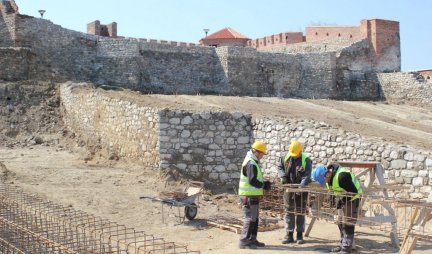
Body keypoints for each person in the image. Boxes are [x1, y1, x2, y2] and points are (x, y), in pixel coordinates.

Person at [312, 163, 363, 253]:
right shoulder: (329, 177)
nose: (325, 183)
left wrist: (342, 199)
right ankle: (343, 244)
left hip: (352, 199)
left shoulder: (342, 176)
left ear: (327, 174)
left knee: (348, 223)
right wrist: (333, 198)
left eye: (324, 180)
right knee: (340, 222)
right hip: (342, 198)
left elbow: (353, 192)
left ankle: (346, 249)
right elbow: (333, 189)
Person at [238, 140, 271, 249]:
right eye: (262, 154)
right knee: (250, 218)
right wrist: (263, 185)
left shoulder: (252, 161)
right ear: (257, 152)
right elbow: (252, 180)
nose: (262, 156)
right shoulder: (251, 163)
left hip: (252, 195)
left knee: (255, 218)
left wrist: (263, 182)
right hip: (248, 196)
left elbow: (253, 179)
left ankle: (252, 239)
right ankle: (244, 241)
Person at [277, 140, 312, 244]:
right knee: (289, 210)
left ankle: (300, 234)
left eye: (296, 155)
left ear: (300, 151)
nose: (294, 156)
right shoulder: (286, 157)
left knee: (300, 210)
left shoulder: (306, 159)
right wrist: (283, 176)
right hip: (289, 186)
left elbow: (307, 175)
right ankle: (289, 234)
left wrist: (301, 187)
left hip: (302, 186)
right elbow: (280, 167)